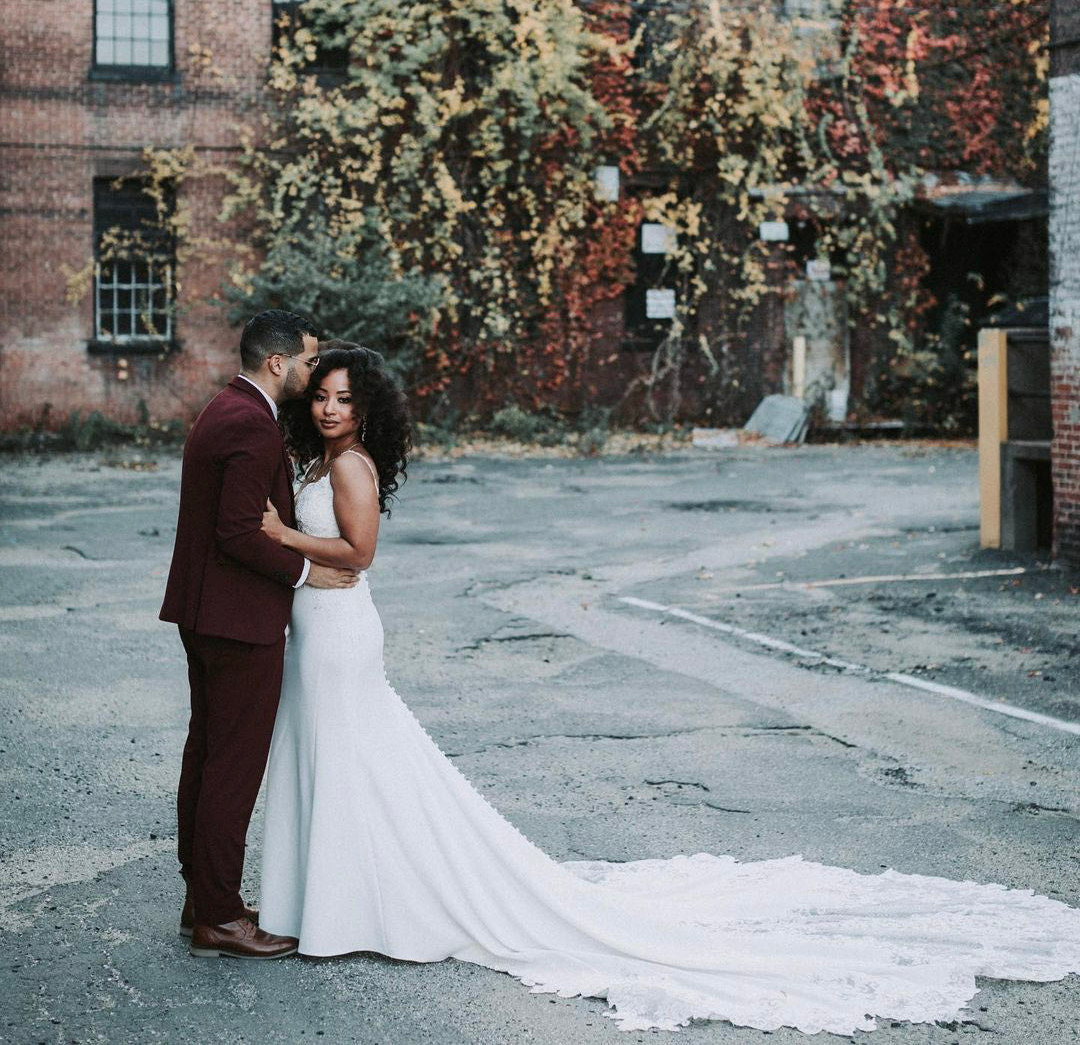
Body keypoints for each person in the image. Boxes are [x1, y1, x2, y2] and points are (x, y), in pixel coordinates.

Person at [257, 346, 1080, 1033]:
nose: (331, 410)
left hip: (341, 639)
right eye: (322, 397)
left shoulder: (353, 468)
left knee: (354, 761)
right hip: (317, 632)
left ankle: (349, 910)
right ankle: (337, 902)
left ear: (367, 413)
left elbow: (359, 557)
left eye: (344, 400)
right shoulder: (321, 459)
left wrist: (281, 535)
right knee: (344, 764)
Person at [160, 310, 359, 960]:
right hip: (239, 621)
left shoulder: (225, 407)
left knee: (208, 755)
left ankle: (203, 897)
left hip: (204, 613)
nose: (311, 371)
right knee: (232, 769)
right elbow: (242, 531)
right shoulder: (251, 424)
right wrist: (308, 572)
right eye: (307, 361)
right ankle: (218, 915)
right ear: (277, 363)